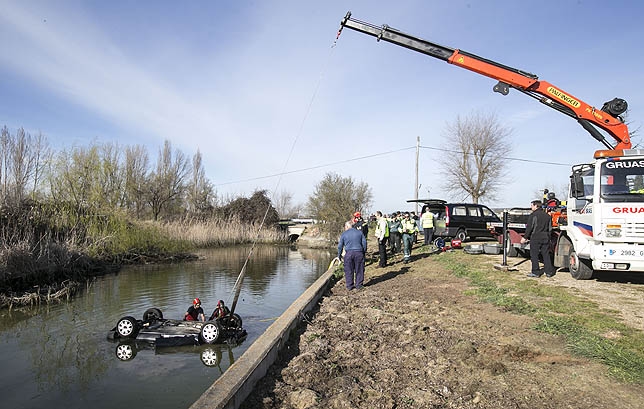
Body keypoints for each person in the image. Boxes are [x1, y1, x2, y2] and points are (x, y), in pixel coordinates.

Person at [521, 200, 555, 278]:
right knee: (546, 255)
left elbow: (529, 227)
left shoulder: (533, 215)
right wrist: (548, 236)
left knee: (534, 255)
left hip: (536, 237)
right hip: (545, 237)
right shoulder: (547, 216)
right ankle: (549, 272)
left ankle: (535, 272)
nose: (531, 207)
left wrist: (525, 237)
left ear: (536, 206)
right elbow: (550, 228)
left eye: (532, 205)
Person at [338, 220, 367, 290]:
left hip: (349, 253)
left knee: (348, 270)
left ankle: (349, 285)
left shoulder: (344, 234)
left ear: (347, 226)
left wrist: (339, 255)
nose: (345, 228)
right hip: (359, 252)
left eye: (345, 226)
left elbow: (340, 246)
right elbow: (364, 243)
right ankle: (359, 285)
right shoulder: (360, 233)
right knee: (359, 269)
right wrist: (363, 252)